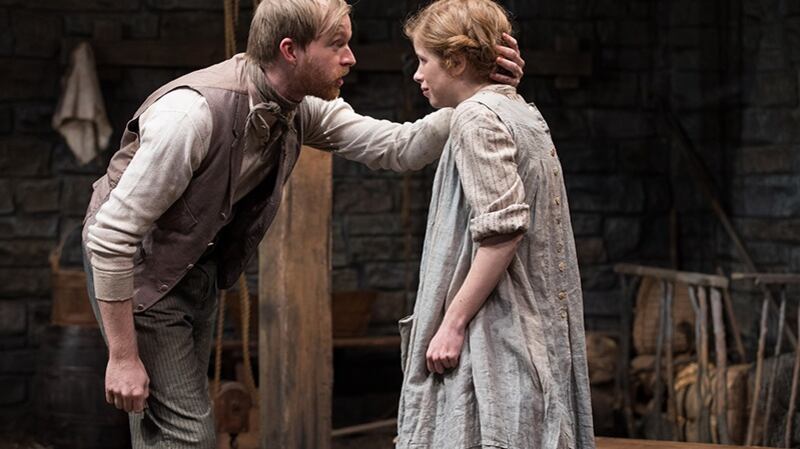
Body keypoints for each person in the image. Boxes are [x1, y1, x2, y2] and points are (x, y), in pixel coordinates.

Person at [81, 0, 525, 447]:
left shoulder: (299, 107)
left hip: (194, 270)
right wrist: (122, 356)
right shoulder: (192, 115)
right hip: (140, 274)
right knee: (186, 436)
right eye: (337, 45)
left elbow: (399, 147)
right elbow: (110, 239)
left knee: (160, 424)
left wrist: (478, 96)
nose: (351, 58)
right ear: (290, 50)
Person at [395, 0, 595, 448]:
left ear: (457, 61)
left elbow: (503, 230)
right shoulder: (523, 112)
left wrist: (451, 323)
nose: (417, 74)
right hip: (525, 328)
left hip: (496, 332)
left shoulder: (475, 118)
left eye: (424, 60)